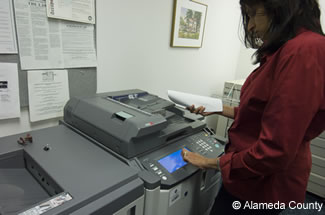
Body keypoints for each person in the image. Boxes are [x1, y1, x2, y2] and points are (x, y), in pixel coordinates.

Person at [181, 0, 325, 214]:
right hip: (250, 175)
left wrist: (212, 162)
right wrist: (218, 107)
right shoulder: (286, 49)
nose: (249, 26)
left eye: (253, 13)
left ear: (280, 9)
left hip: (263, 184)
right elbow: (265, 115)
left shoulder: (302, 51)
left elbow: (274, 151)